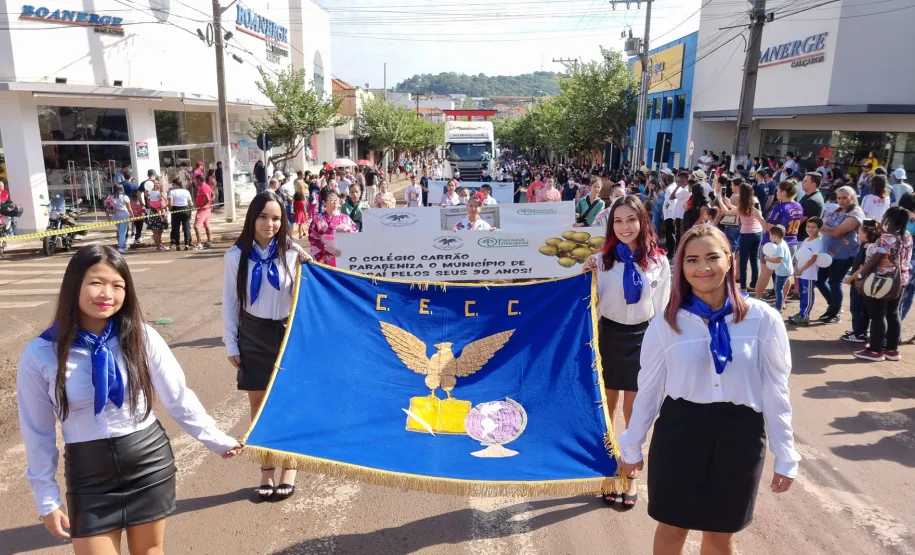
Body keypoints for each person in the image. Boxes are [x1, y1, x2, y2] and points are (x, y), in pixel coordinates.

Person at [20, 246, 241, 548]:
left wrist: (216, 439)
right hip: (89, 476)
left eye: (117, 285)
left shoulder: (142, 336)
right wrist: (46, 498)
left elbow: (178, 396)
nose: (107, 294)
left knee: (149, 550)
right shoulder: (41, 353)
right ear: (74, 285)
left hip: (148, 463)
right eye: (96, 282)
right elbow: (37, 431)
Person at [618, 225, 799, 555]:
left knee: (720, 533)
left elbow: (776, 390)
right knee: (672, 527)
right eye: (692, 260)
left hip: (740, 436)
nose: (703, 267)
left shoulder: (763, 319)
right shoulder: (666, 323)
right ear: (681, 267)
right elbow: (649, 389)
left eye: (712, 257)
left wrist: (785, 454)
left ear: (730, 260)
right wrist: (632, 444)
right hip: (680, 431)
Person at [582, 195, 669, 510]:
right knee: (606, 408)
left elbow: (663, 309)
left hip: (644, 339)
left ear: (642, 221)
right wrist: (584, 271)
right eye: (618, 221)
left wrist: (664, 351)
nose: (625, 227)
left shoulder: (659, 262)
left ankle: (629, 473)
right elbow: (586, 302)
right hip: (607, 337)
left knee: (636, 411)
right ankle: (608, 470)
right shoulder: (600, 261)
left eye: (631, 219)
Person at [223, 191, 311, 501]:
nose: (269, 224)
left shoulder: (292, 254)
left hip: (287, 335)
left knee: (289, 402)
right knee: (258, 407)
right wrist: (231, 343)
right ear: (252, 218)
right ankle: (266, 468)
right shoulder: (235, 255)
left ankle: (290, 465)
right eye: (263, 216)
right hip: (253, 333)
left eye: (276, 218)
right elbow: (231, 302)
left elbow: (311, 294)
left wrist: (308, 261)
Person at [849, 207, 913, 361]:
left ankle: (875, 350)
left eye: (884, 217)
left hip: (881, 281)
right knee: (893, 313)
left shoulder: (887, 237)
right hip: (900, 280)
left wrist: (859, 275)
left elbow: (876, 258)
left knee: (877, 315)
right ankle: (892, 350)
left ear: (889, 220)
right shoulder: (907, 236)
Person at [816, 186, 865, 324]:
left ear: (853, 197)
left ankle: (834, 313)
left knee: (835, 282)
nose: (841, 201)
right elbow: (822, 225)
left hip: (844, 255)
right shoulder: (837, 211)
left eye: (844, 198)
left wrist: (828, 229)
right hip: (827, 254)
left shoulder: (855, 213)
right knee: (819, 280)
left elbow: (837, 232)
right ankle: (834, 305)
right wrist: (830, 229)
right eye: (839, 198)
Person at [753, 181, 803, 301]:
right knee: (786, 273)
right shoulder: (798, 206)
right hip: (791, 242)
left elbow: (768, 227)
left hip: (773, 243)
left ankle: (757, 299)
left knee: (765, 273)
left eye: (778, 191)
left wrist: (758, 216)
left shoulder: (780, 208)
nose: (776, 193)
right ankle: (782, 301)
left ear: (784, 192)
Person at [718, 179, 763, 291]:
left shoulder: (743, 203)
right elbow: (742, 211)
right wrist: (729, 204)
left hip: (746, 234)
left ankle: (743, 287)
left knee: (743, 261)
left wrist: (720, 200)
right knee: (754, 260)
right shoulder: (755, 200)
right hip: (757, 232)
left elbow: (728, 212)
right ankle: (753, 284)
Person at [788, 217, 824, 326]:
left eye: (813, 227)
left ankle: (805, 317)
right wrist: (796, 268)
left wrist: (802, 269)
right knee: (802, 295)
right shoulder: (806, 240)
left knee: (807, 295)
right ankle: (801, 313)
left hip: (809, 274)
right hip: (801, 273)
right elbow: (800, 255)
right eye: (808, 226)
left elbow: (813, 259)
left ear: (819, 229)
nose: (810, 229)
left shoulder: (817, 242)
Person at [309, 189, 358, 266]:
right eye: (332, 200)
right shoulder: (317, 219)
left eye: (337, 200)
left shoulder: (345, 218)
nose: (335, 202)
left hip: (341, 254)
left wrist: (348, 230)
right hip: (324, 256)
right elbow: (312, 239)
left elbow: (356, 234)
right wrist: (325, 247)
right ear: (324, 202)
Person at [763, 225, 793, 313]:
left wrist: (768, 259)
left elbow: (778, 260)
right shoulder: (784, 243)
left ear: (775, 236)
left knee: (778, 289)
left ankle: (778, 307)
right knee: (779, 288)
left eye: (770, 235)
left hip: (782, 271)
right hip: (786, 270)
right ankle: (780, 304)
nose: (769, 237)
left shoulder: (780, 247)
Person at [797, 172, 825, 242]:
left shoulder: (812, 201)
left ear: (813, 185)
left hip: (803, 240)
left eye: (805, 181)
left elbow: (798, 222)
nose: (802, 182)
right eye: (803, 180)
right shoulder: (808, 196)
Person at [167, 178, 193, 251]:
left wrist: (170, 210)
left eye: (173, 184)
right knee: (186, 227)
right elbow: (190, 204)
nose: (172, 186)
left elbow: (170, 203)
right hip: (185, 209)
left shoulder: (172, 192)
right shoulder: (186, 191)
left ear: (175, 184)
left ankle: (177, 244)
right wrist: (190, 213)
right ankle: (187, 243)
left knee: (176, 228)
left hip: (176, 210)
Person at [191, 175, 214, 249]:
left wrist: (202, 206)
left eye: (195, 180)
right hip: (207, 209)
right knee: (206, 225)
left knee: (196, 226)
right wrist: (208, 203)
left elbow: (207, 198)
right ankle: (209, 241)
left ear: (199, 180)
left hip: (203, 210)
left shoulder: (203, 187)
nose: (194, 181)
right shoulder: (206, 186)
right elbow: (212, 195)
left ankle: (199, 243)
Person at [146, 181, 169, 252]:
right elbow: (161, 200)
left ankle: (159, 245)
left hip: (155, 212)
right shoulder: (156, 193)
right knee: (157, 231)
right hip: (156, 212)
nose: (157, 184)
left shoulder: (151, 193)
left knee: (158, 231)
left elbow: (149, 203)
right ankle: (159, 246)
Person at [110, 184, 133, 254]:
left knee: (120, 231)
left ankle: (124, 245)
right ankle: (120, 247)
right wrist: (132, 216)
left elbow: (106, 207)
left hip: (115, 216)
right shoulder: (124, 197)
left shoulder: (110, 197)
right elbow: (129, 208)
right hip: (124, 215)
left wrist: (108, 217)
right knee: (123, 232)